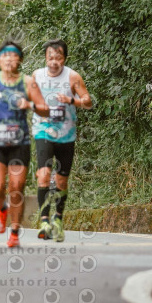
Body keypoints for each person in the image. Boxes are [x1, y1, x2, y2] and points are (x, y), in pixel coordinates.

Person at [0, 40, 49, 247]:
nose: (8, 59)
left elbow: (45, 109)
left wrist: (30, 104)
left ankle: (14, 233)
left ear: (20, 60)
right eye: (4, 55)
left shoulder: (28, 83)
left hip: (19, 142)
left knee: (16, 188)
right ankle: (1, 208)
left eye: (13, 55)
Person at [33, 39, 92, 243]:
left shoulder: (73, 77)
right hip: (43, 131)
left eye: (58, 58)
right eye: (50, 57)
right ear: (45, 58)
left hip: (67, 134)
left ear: (64, 59)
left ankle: (57, 219)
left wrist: (71, 100)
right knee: (44, 174)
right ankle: (44, 222)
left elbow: (88, 102)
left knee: (61, 180)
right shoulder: (37, 76)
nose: (54, 62)